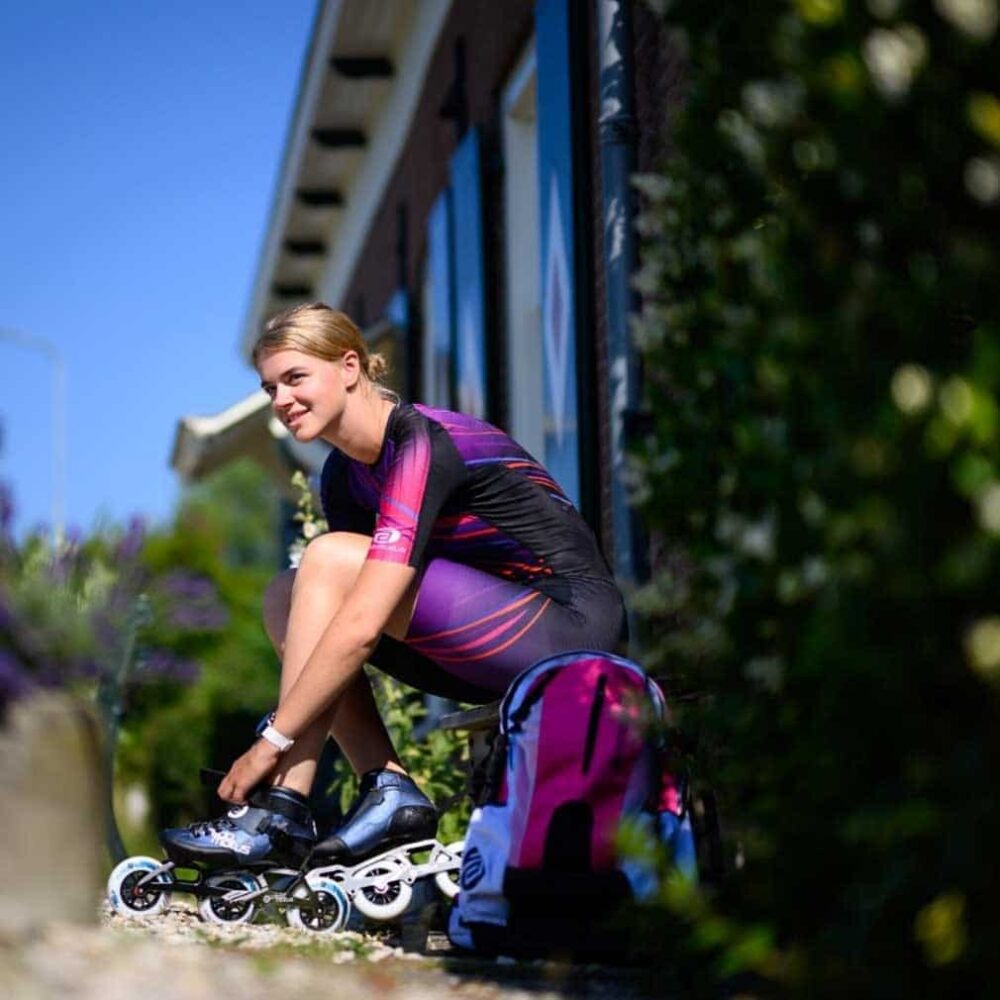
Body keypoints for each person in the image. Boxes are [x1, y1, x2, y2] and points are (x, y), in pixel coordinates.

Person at [161, 302, 627, 868]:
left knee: (327, 561)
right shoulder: (342, 476)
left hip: (568, 631)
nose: (281, 400)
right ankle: (385, 786)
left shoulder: (421, 442)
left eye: (295, 378)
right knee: (287, 593)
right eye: (270, 388)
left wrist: (271, 743)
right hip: (478, 644)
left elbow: (361, 624)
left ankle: (283, 806)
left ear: (349, 367)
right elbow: (347, 622)